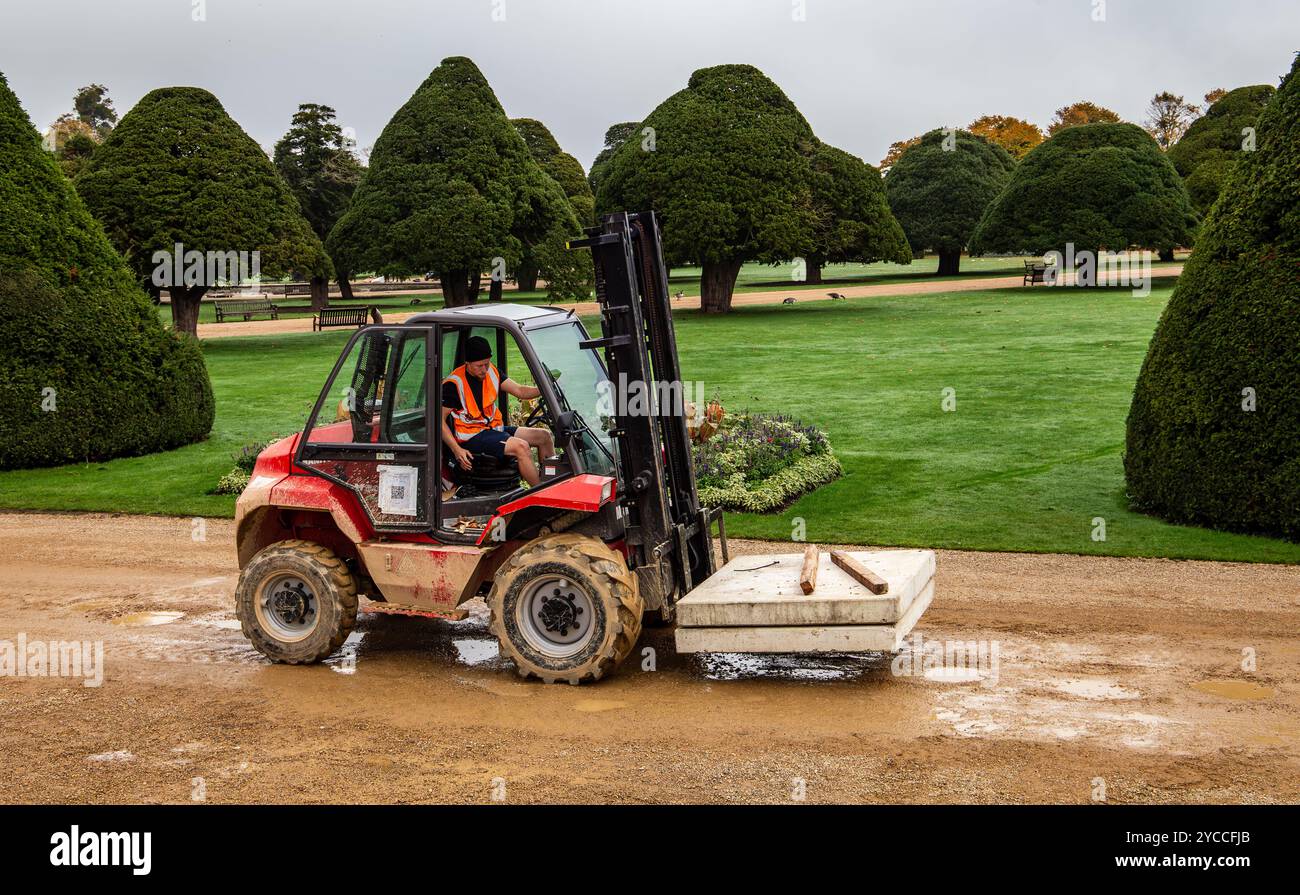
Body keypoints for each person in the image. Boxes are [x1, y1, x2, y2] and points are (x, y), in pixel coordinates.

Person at [441, 335, 555, 486]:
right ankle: (542, 495)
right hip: (472, 438)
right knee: (521, 447)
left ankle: (553, 484)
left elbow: (520, 391)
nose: (484, 370)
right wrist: (456, 450)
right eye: (479, 366)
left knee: (544, 436)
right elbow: (438, 420)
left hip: (493, 430)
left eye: (486, 364)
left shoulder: (492, 372)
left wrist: (546, 388)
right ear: (467, 363)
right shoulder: (454, 384)